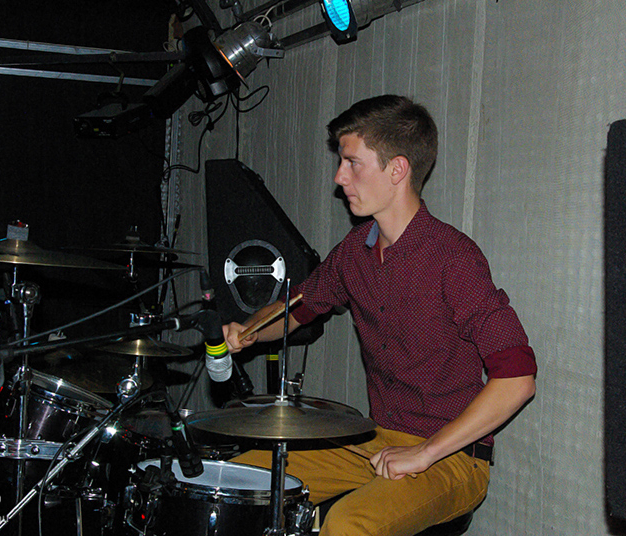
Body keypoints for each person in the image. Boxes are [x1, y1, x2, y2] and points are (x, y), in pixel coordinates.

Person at [222, 94, 537, 536]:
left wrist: (425, 453)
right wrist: (253, 330)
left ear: (397, 170)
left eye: (352, 163)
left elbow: (518, 379)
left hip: (451, 458)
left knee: (348, 524)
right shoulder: (355, 250)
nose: (339, 177)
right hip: (372, 442)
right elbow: (298, 309)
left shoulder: (454, 258)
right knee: (240, 481)